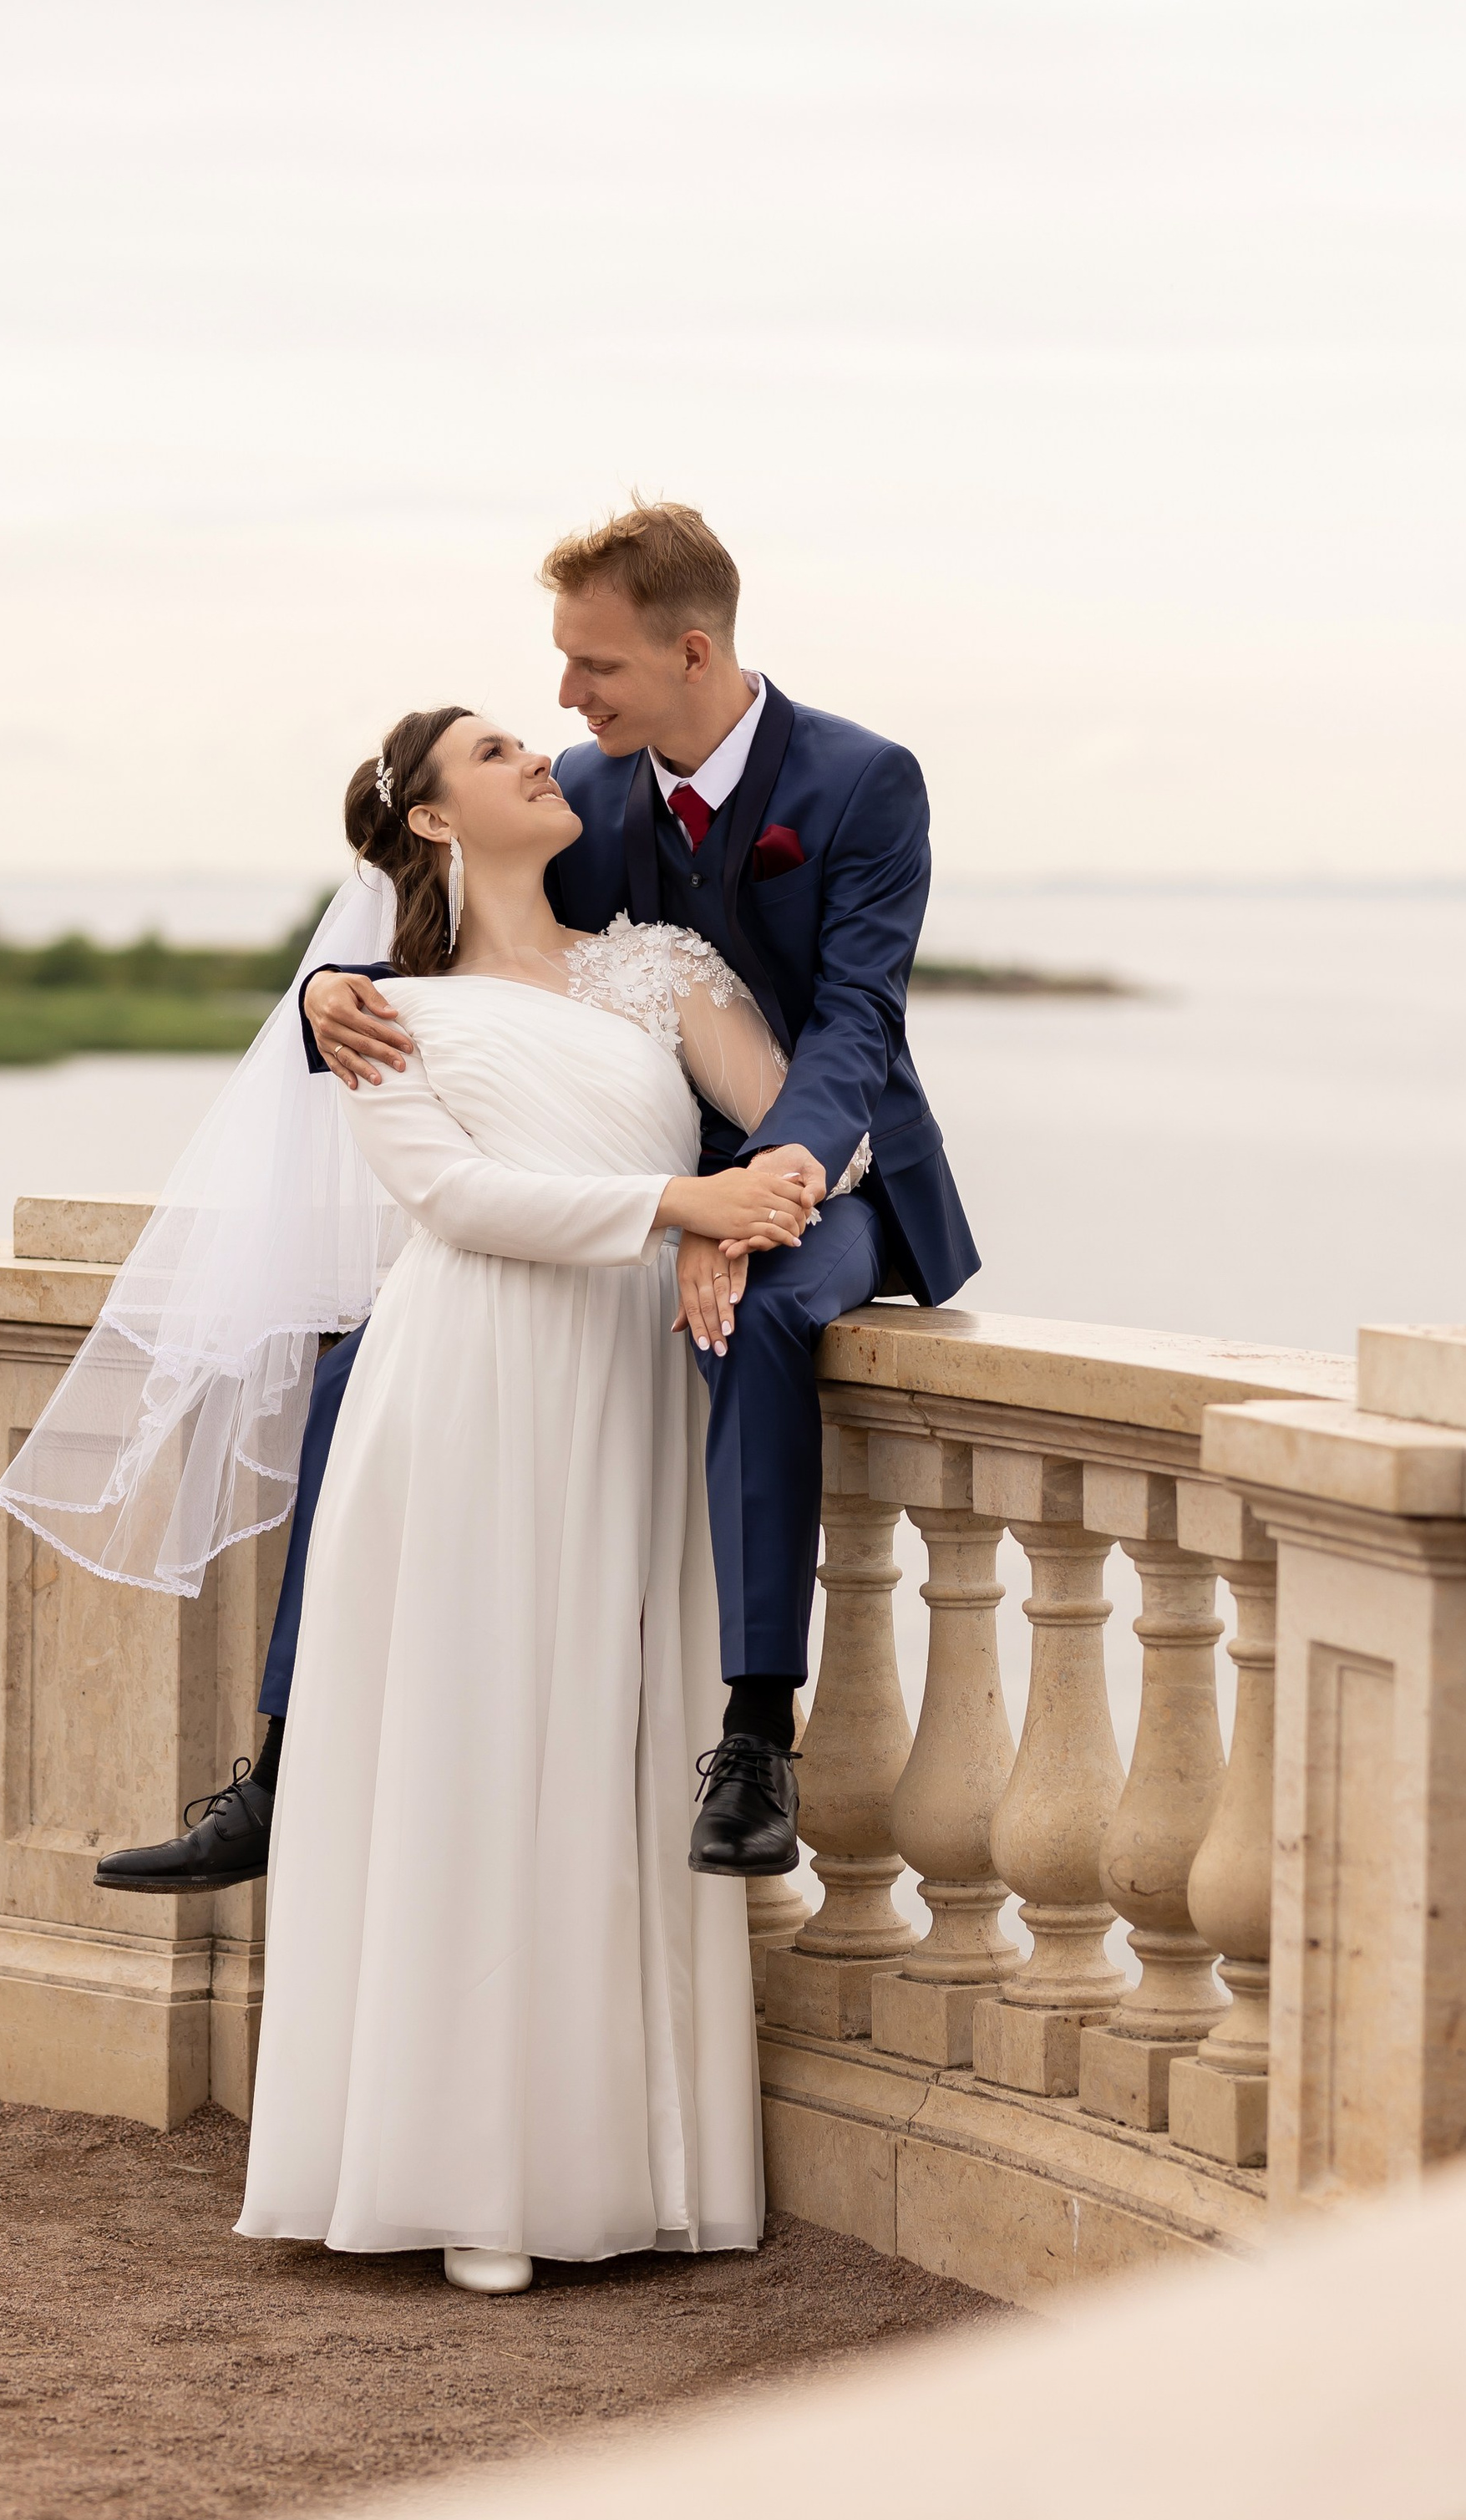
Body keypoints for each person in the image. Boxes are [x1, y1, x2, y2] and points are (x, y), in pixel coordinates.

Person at [97, 498, 977, 1902]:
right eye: (560, 671)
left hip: (838, 1162)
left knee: (757, 1330)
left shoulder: (863, 784)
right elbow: (472, 940)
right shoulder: (589, 782)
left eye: (595, 667)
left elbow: (855, 1026)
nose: (567, 698)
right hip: (664, 1184)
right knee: (349, 1383)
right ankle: (278, 1764)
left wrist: (761, 1195)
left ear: (692, 652)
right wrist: (331, 991)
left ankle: (755, 1736)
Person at [236, 706, 803, 2287]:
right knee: (467, 1742)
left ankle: (600, 2161)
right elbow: (454, 1199)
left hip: (624, 1377)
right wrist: (683, 1200)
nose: (539, 758)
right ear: (428, 821)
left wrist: (745, 1224)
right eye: (493, 753)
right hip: (465, 1381)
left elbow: (807, 1130)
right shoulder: (372, 1012)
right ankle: (459, 2174)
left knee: (610, 1734)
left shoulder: (663, 971)